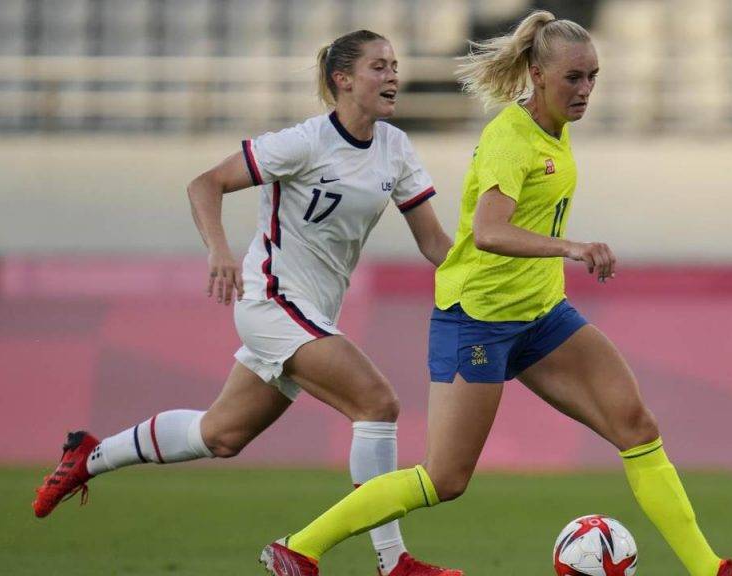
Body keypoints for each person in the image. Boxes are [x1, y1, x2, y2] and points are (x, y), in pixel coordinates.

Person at [259, 12, 732, 576]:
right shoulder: (510, 139)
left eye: (593, 77)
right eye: (573, 78)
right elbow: (488, 231)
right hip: (477, 320)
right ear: (537, 75)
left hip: (542, 315)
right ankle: (300, 547)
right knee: (445, 478)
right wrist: (572, 248)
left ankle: (710, 568)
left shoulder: (554, 130)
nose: (585, 90)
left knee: (636, 425)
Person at [32, 29, 462, 576]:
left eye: (396, 65)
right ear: (343, 80)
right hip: (271, 300)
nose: (394, 75)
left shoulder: (395, 149)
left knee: (220, 435)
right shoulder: (304, 142)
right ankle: (392, 562)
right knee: (377, 404)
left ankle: (89, 456)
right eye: (379, 66)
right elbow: (204, 184)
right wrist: (220, 250)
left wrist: (496, 271)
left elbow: (434, 244)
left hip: (310, 314)